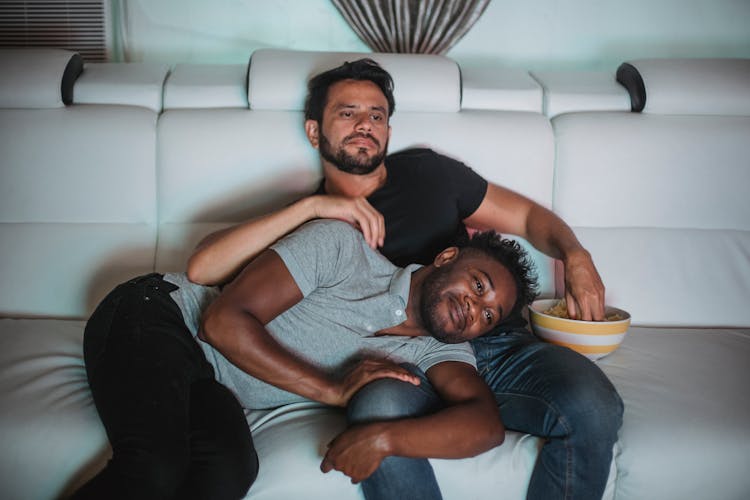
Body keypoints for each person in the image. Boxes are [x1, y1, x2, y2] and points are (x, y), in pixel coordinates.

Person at [187, 58, 624, 500]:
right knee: (380, 411)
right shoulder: (315, 225)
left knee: (593, 405)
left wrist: (575, 255)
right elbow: (203, 270)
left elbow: (529, 217)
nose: (365, 124)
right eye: (347, 112)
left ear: (389, 132)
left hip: (493, 345)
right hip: (399, 358)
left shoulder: (427, 175)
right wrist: (308, 209)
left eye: (376, 115)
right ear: (315, 131)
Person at [73, 218, 539, 500]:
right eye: (478, 286)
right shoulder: (342, 249)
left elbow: (485, 425)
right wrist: (332, 389)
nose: (474, 309)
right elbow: (221, 323)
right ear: (447, 257)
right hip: (160, 318)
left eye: (489, 315)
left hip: (208, 382)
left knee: (228, 474)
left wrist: (384, 439)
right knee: (155, 467)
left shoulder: (443, 350)